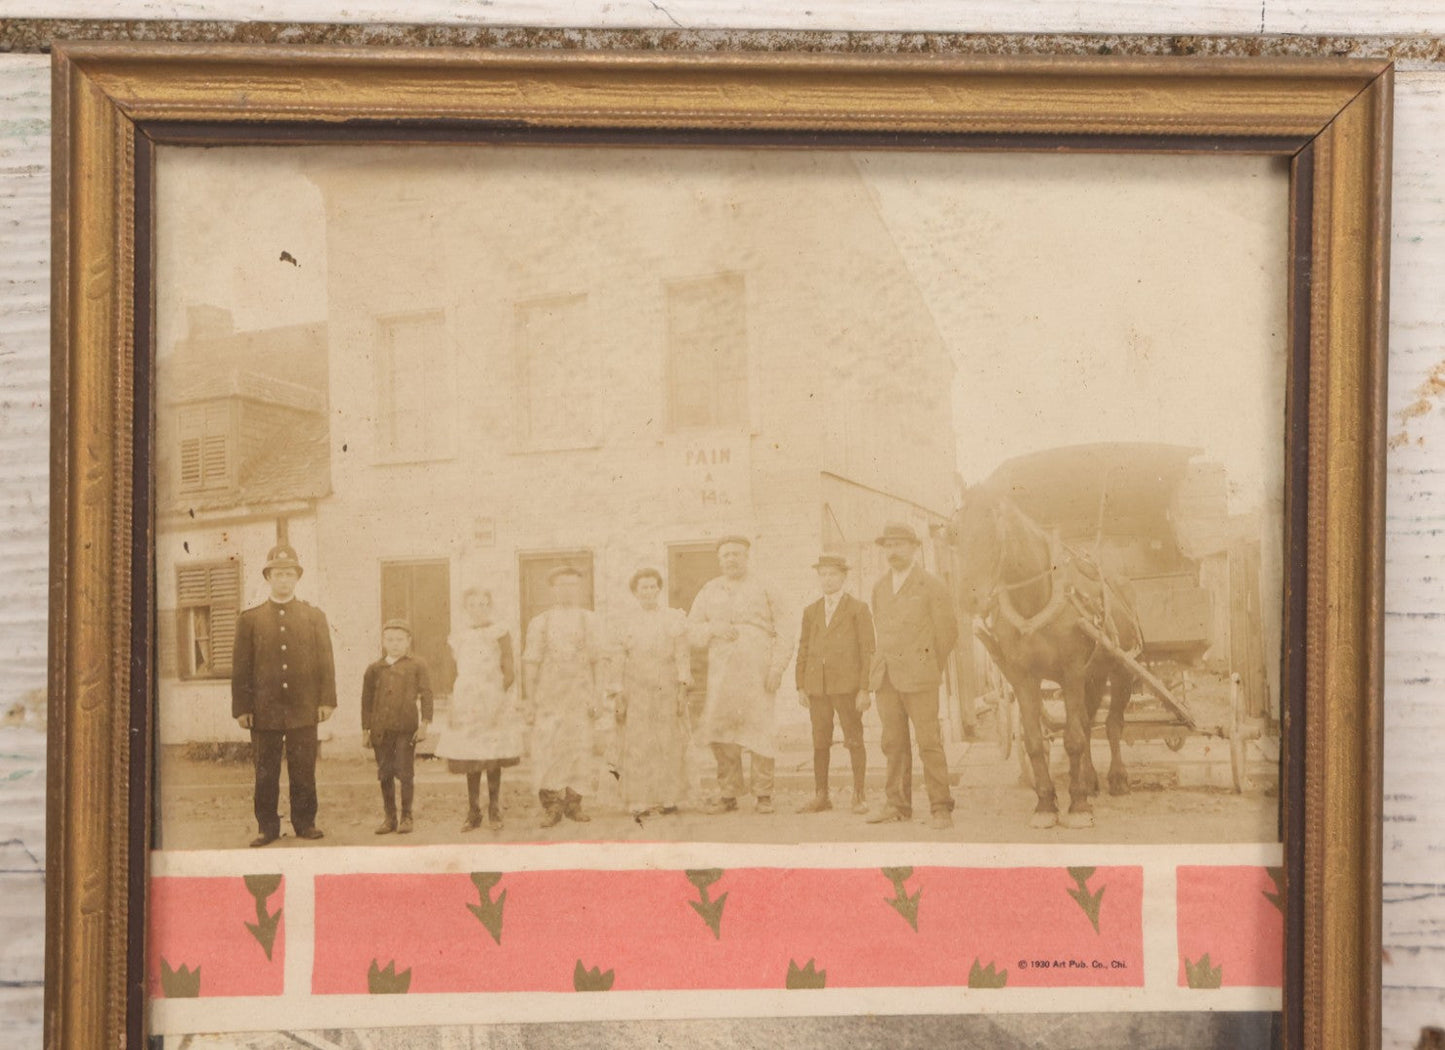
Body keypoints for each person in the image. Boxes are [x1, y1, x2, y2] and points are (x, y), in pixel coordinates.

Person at [231, 544, 337, 847]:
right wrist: (243, 707)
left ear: (297, 578)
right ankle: (267, 827)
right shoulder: (250, 619)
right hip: (264, 709)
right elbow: (241, 668)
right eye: (278, 574)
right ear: (268, 577)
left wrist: (326, 700)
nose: (284, 580)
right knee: (266, 772)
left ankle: (305, 823)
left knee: (304, 770)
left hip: (304, 707)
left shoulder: (313, 616)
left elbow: (325, 661)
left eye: (289, 574)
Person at [686, 535, 793, 815]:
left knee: (760, 730)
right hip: (722, 673)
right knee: (721, 731)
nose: (731, 559)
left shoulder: (766, 586)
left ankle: (763, 794)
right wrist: (713, 628)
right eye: (725, 555)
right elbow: (692, 631)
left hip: (758, 670)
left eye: (736, 554)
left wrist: (777, 668)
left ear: (747, 556)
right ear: (719, 560)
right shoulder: (709, 590)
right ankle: (728, 793)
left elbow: (785, 628)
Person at [866, 522, 959, 831]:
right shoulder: (879, 587)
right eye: (888, 546)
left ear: (914, 548)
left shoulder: (931, 585)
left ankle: (940, 806)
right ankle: (897, 804)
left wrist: (930, 666)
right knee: (892, 742)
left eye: (900, 545)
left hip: (920, 677)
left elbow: (947, 633)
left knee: (929, 742)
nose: (893, 551)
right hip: (887, 679)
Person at [607, 568, 692, 818]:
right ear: (635, 592)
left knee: (667, 739)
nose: (648, 592)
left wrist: (682, 685)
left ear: (659, 589)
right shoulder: (625, 621)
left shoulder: (673, 618)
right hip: (637, 688)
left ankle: (668, 797)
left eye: (653, 586)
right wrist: (618, 690)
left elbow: (682, 655)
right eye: (643, 587)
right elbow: (618, 657)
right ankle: (639, 797)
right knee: (639, 741)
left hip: (666, 685)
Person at [522, 565, 603, 828]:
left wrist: (598, 696)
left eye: (572, 584)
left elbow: (599, 661)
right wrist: (530, 699)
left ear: (579, 588)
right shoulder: (540, 622)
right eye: (561, 584)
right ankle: (551, 805)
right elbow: (531, 662)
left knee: (580, 746)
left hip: (580, 694)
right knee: (549, 748)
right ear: (552, 589)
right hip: (550, 696)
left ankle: (574, 803)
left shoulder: (590, 620)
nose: (567, 589)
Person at [434, 588, 521, 832]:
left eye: (484, 604)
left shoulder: (500, 632)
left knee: (492, 754)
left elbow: (509, 669)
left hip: (493, 697)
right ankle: (473, 811)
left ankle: (494, 808)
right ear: (466, 608)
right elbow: (449, 673)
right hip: (466, 699)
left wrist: (498, 695)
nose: (479, 609)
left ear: (490, 607)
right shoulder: (457, 636)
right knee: (470, 755)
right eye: (473, 605)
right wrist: (453, 701)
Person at [795, 553, 875, 815]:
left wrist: (865, 688)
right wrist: (800, 685)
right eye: (823, 574)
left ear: (843, 577)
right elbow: (804, 648)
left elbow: (868, 650)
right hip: (817, 687)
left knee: (854, 738)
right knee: (820, 741)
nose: (827, 580)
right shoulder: (812, 611)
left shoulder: (858, 608)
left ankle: (859, 795)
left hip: (847, 687)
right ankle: (821, 796)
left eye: (833, 574)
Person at [360, 619, 433, 835]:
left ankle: (406, 816)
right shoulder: (374, 669)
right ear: (383, 641)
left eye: (400, 639)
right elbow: (366, 701)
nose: (395, 644)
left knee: (405, 771)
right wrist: (366, 730)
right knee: (385, 772)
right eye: (390, 639)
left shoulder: (417, 665)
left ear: (409, 641)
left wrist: (424, 725)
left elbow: (427, 695)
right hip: (381, 729)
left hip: (405, 728)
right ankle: (389, 817)